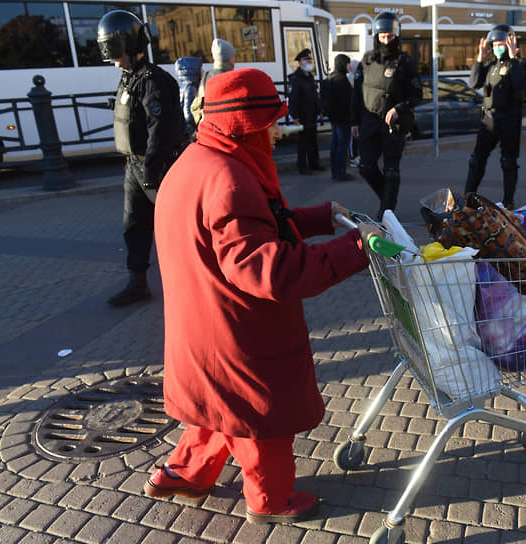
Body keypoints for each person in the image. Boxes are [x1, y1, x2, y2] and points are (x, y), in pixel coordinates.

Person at [146, 68, 380, 525]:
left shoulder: (198, 159)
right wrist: (356, 248)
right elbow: (269, 271)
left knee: (214, 407)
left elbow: (256, 223)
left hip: (201, 324)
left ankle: (187, 472)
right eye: (270, 124)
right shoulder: (229, 180)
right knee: (257, 419)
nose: (276, 133)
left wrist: (319, 217)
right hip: (237, 333)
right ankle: (269, 500)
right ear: (247, 126)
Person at [97, 10, 185, 306]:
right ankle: (137, 282)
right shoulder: (129, 78)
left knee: (175, 227)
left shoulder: (153, 81)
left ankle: (190, 281)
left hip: (154, 167)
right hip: (133, 165)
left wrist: (150, 169)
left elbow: (160, 129)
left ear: (128, 45)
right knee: (134, 225)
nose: (111, 57)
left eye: (113, 49)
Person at [351, 11, 422, 220]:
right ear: (376, 36)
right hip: (369, 121)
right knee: (366, 166)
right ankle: (387, 198)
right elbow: (356, 92)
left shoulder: (404, 62)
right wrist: (353, 121)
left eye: (390, 36)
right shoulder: (367, 60)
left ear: (396, 36)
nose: (386, 40)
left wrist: (398, 109)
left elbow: (417, 95)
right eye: (382, 36)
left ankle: (387, 210)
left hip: (393, 124)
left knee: (391, 170)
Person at [463, 24, 526, 209]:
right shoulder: (491, 65)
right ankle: (467, 197)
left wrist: (513, 56)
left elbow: (519, 84)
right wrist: (479, 58)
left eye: (502, 43)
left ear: (512, 43)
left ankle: (508, 201)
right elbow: (474, 82)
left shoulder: (520, 64)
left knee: (508, 161)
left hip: (509, 119)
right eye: (495, 44)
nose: (497, 47)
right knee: (476, 159)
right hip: (488, 119)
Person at [288, 48, 323, 175]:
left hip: (312, 114)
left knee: (313, 140)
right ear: (300, 62)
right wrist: (295, 116)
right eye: (306, 60)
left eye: (310, 59)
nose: (309, 62)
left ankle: (314, 163)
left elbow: (315, 96)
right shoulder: (295, 78)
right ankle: (302, 166)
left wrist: (319, 111)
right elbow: (293, 99)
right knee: (303, 142)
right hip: (302, 115)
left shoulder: (310, 77)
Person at [321, 53, 355, 181]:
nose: (349, 67)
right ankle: (340, 173)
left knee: (335, 145)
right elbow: (347, 102)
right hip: (343, 118)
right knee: (342, 145)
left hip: (334, 118)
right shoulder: (342, 80)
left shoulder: (330, 78)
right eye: (347, 64)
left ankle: (335, 172)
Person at [190, 38, 236, 127]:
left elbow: (196, 105)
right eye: (234, 56)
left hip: (208, 128)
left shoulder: (207, 76)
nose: (235, 59)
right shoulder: (231, 77)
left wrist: (202, 123)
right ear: (229, 58)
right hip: (225, 129)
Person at [174, 56, 202, 138]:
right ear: (194, 71)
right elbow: (188, 114)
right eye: (200, 69)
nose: (203, 71)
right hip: (189, 132)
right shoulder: (191, 88)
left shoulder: (184, 86)